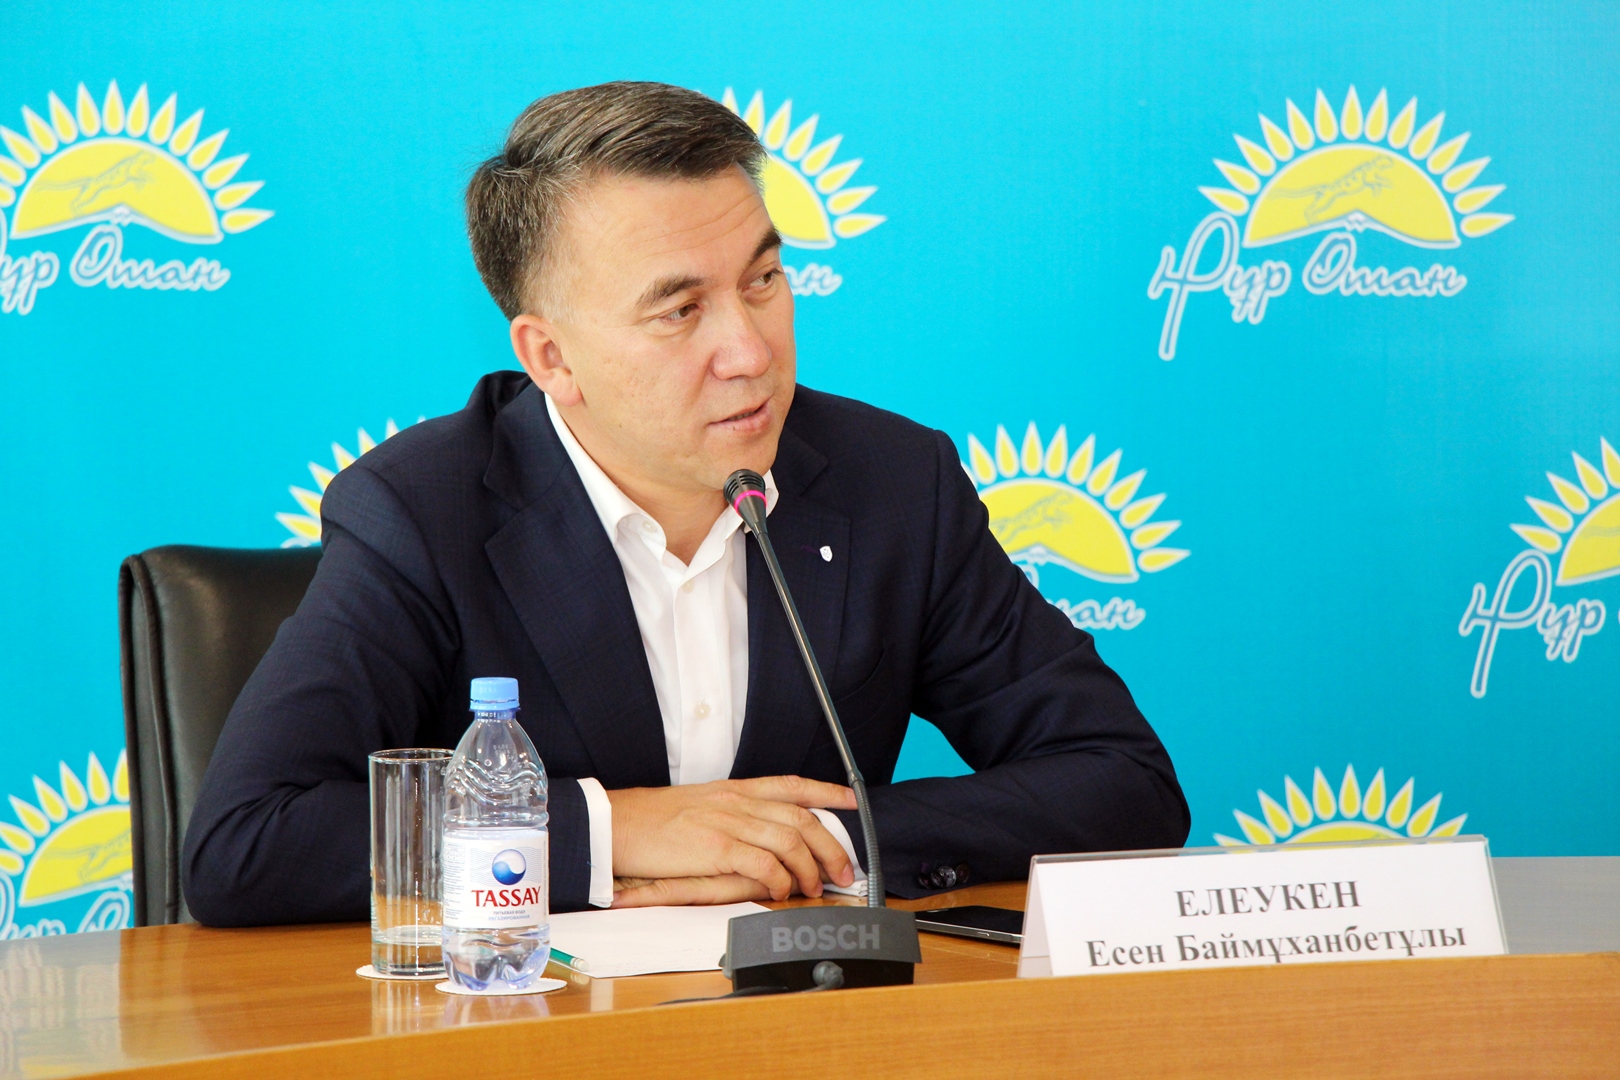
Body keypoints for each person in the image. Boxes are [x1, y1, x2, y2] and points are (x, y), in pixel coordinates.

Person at [183, 81, 1188, 926]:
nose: (749, 350)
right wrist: (618, 830)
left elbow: (1121, 778)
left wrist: (814, 839)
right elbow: (246, 841)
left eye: (764, 280)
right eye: (680, 309)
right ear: (551, 356)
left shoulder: (894, 483)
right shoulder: (421, 511)